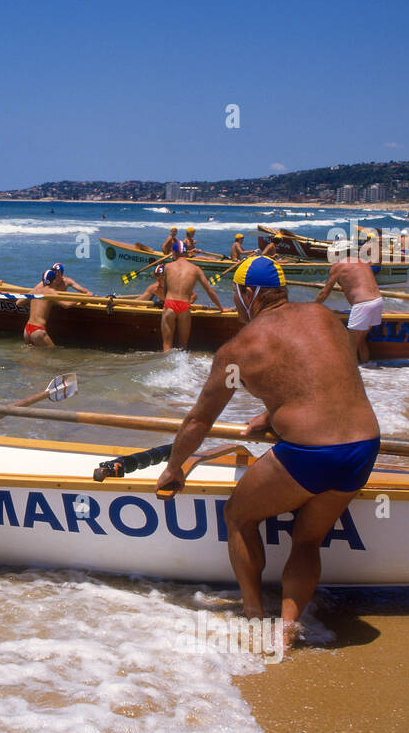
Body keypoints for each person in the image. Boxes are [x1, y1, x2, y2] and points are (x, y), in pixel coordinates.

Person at [155, 256, 380, 650]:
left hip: (309, 455)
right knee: (307, 541)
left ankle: (254, 613)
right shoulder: (323, 316)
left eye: (236, 295)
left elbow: (198, 422)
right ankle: (288, 627)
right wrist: (272, 413)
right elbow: (325, 377)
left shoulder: (238, 349)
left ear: (247, 294)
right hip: (363, 448)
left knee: (239, 516)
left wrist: (175, 466)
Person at [314, 252, 383, 363]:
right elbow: (359, 282)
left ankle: (351, 375)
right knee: (361, 341)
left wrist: (313, 306)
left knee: (350, 345)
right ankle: (368, 371)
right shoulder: (362, 262)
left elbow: (324, 293)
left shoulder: (337, 267)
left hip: (363, 304)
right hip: (378, 301)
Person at [158, 244, 225, 351]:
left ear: (174, 252)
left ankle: (167, 366)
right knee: (183, 347)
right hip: (184, 306)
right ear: (186, 253)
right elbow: (209, 291)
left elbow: (165, 290)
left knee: (166, 346)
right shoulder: (196, 269)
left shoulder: (167, 267)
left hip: (170, 304)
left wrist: (163, 303)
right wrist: (221, 308)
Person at [16, 263, 93, 348]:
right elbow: (66, 305)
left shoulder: (35, 290)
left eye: (58, 273)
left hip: (27, 329)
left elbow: (18, 303)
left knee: (29, 356)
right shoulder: (51, 292)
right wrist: (82, 299)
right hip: (38, 330)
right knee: (53, 352)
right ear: (53, 280)